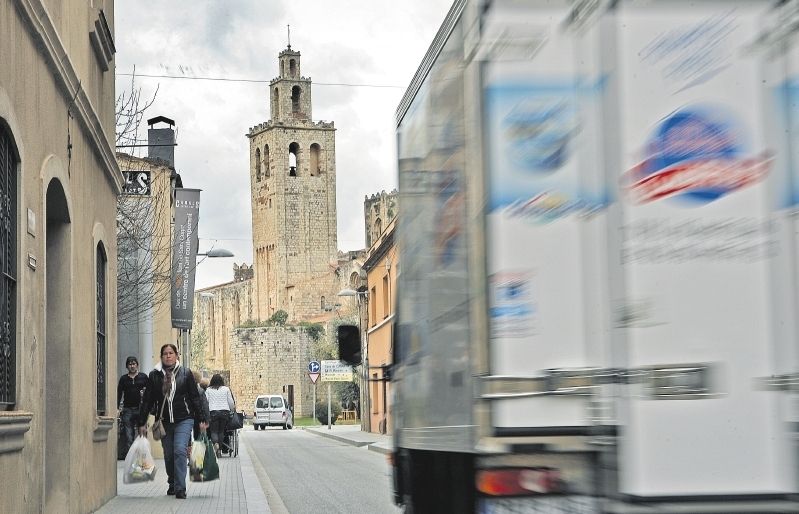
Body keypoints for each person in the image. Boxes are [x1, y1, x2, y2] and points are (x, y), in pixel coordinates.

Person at [138, 344, 207, 499]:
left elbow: (195, 397)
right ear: (161, 357)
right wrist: (142, 422)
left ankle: (180, 488)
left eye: (171, 353)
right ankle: (172, 481)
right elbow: (148, 400)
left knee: (180, 450)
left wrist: (201, 418)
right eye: (165, 354)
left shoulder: (185, 373)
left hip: (184, 419)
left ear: (177, 355)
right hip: (164, 422)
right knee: (169, 455)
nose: (168, 356)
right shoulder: (155, 375)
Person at [116, 356, 149, 459]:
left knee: (142, 433)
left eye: (134, 363)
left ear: (137, 365)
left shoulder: (143, 377)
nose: (132, 366)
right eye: (130, 364)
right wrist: (117, 408)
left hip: (140, 409)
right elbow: (119, 393)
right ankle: (131, 458)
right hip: (127, 409)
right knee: (128, 435)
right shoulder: (123, 379)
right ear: (127, 366)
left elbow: (149, 392)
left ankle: (143, 456)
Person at [205, 374, 235, 457]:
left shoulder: (208, 390)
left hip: (213, 412)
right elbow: (230, 402)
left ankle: (216, 446)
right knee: (221, 431)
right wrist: (232, 409)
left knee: (214, 431)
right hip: (224, 412)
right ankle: (220, 450)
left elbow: (206, 402)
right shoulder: (226, 389)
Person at [191, 370, 211, 442]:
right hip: (197, 417)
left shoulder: (183, 390)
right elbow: (205, 406)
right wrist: (207, 420)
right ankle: (197, 451)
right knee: (197, 437)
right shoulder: (200, 391)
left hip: (185, 417)